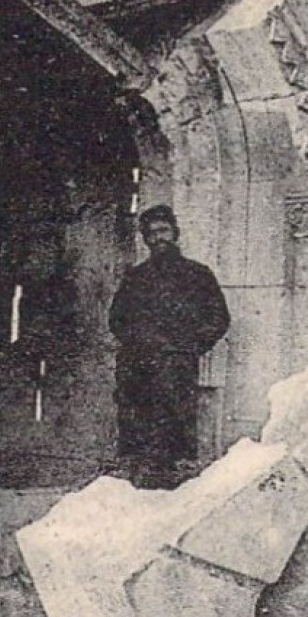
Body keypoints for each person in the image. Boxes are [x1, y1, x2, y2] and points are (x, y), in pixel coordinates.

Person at [108, 204, 230, 489]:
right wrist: (139, 341)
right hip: (138, 365)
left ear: (175, 233)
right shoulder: (135, 277)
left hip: (177, 365)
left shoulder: (198, 275)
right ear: (145, 239)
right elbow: (116, 319)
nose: (158, 238)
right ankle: (139, 478)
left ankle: (176, 478)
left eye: (163, 231)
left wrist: (189, 346)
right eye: (151, 234)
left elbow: (219, 318)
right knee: (138, 421)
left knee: (176, 421)